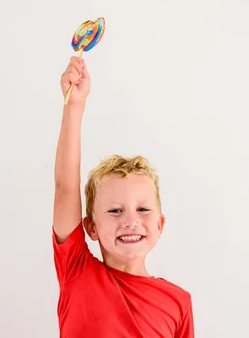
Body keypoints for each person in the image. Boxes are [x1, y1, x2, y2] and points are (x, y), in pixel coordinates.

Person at [52, 56, 194, 337]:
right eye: (115, 211)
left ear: (160, 224)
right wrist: (74, 105)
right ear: (91, 227)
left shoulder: (179, 302)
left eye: (143, 209)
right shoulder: (76, 272)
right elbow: (65, 186)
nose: (131, 221)